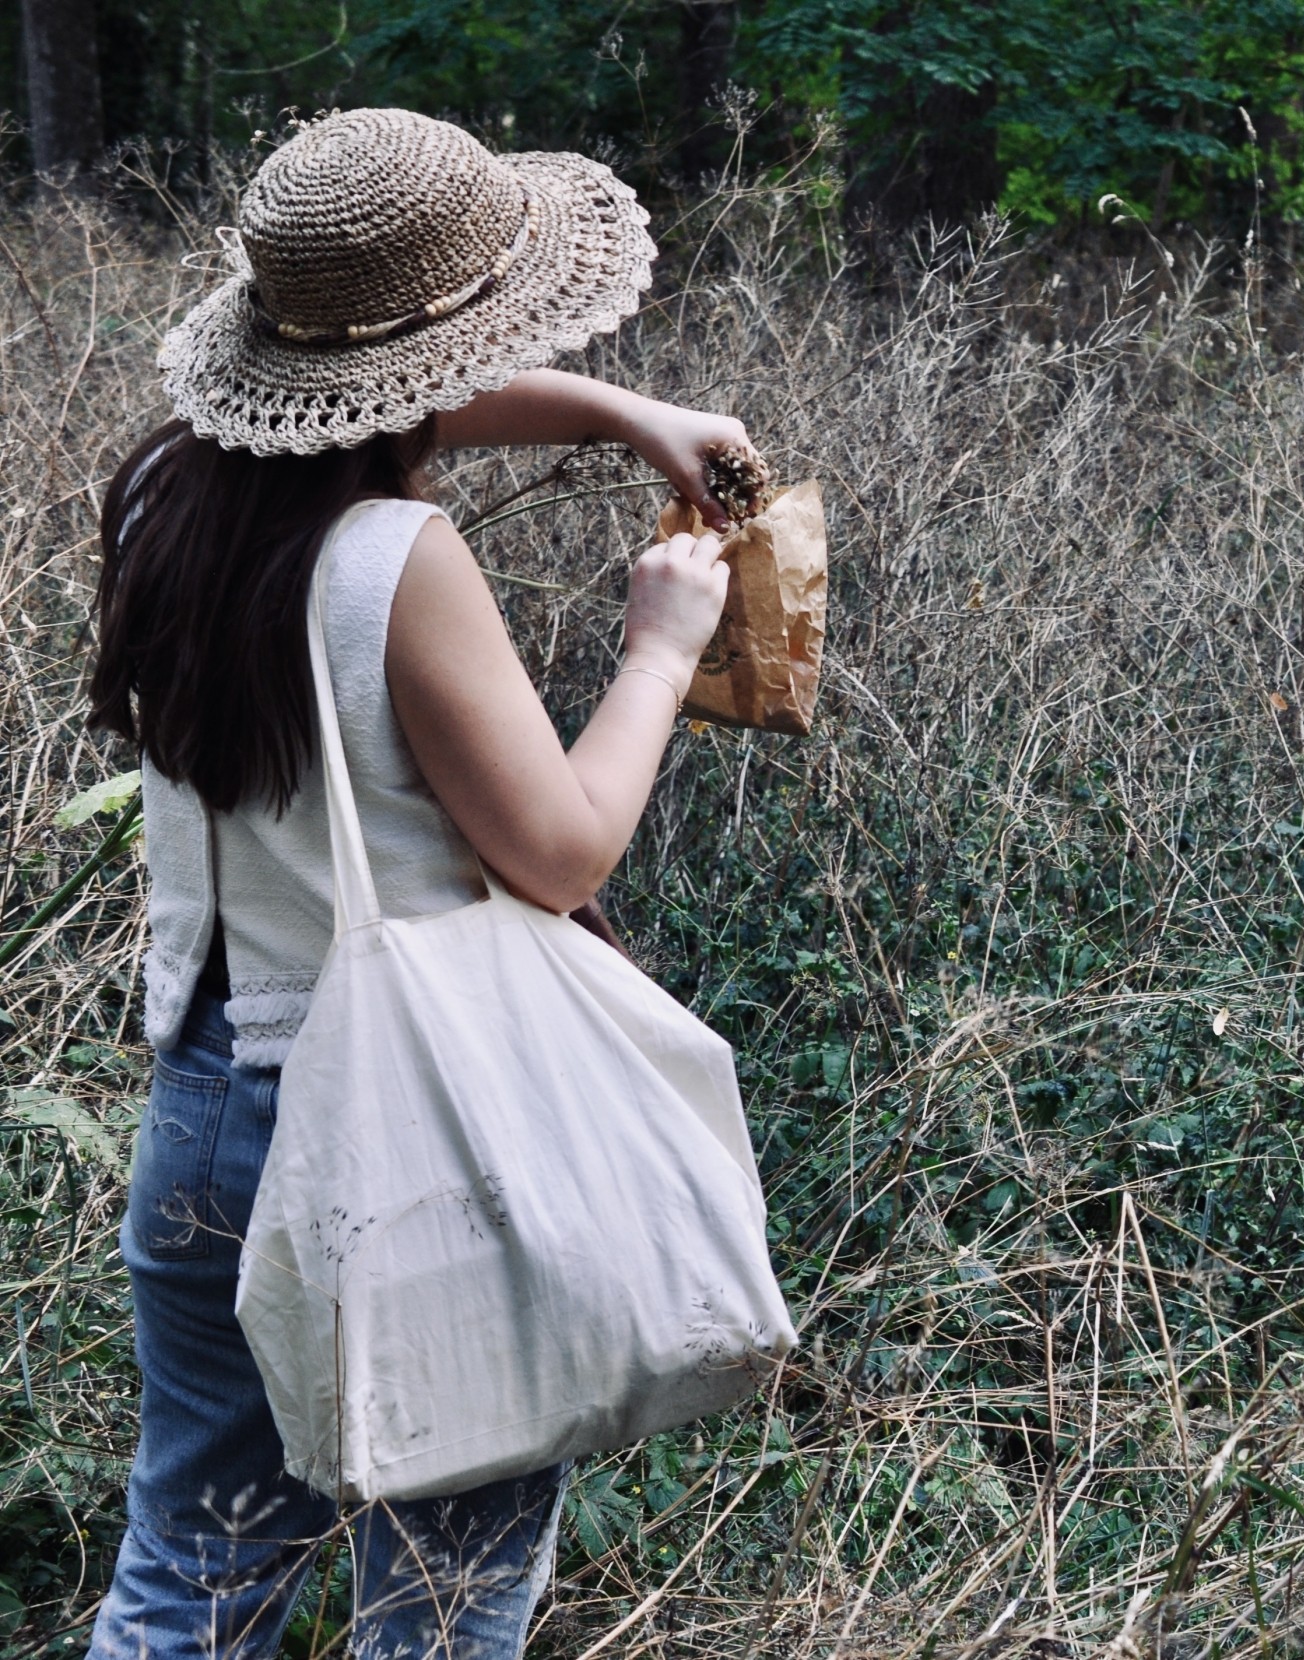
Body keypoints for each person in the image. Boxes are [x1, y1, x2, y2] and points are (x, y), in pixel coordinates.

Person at [81, 107, 746, 1659]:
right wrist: (659, 649)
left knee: (191, 1566)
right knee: (442, 1602)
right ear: (433, 358)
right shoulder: (397, 558)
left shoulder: (162, 494)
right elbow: (564, 847)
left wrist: (617, 412)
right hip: (412, 1121)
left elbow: (365, 415)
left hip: (204, 1109)